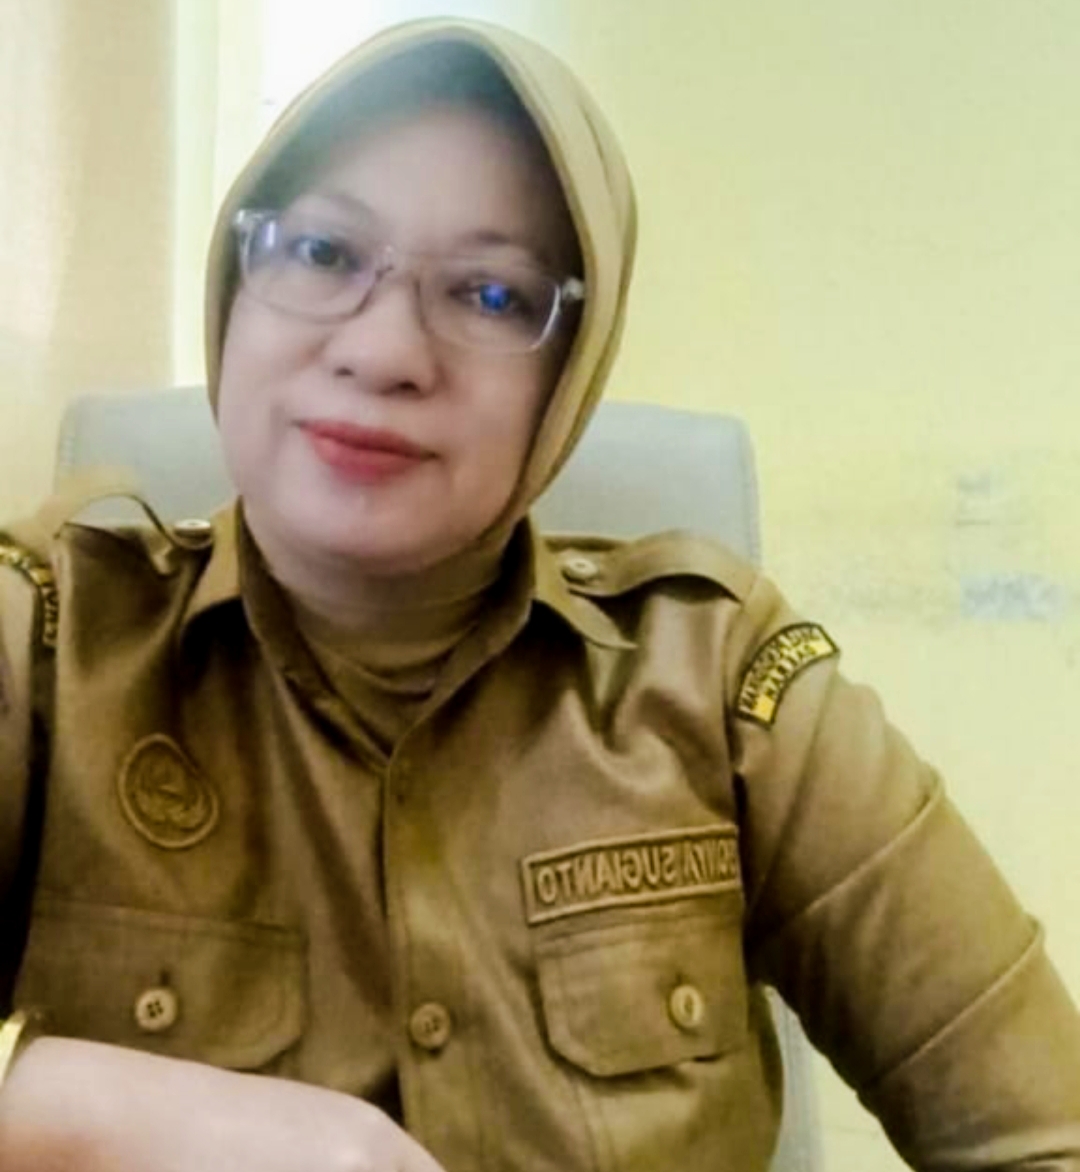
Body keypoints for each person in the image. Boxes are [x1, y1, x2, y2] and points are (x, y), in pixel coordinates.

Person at [0, 15, 1077, 1172]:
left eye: (491, 295)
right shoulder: (48, 642)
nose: (383, 351)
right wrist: (82, 1104)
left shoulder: (722, 687)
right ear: (234, 280)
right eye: (320, 252)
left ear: (573, 371)